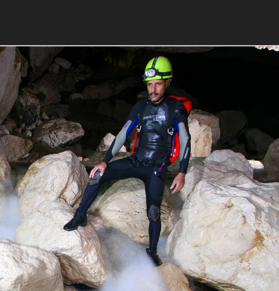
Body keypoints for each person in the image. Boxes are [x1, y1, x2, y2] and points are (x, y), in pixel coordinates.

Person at [63, 55, 191, 267]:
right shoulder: (140, 108)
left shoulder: (175, 109)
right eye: (150, 84)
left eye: (158, 84)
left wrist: (182, 172)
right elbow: (123, 134)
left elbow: (185, 140)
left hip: (156, 169)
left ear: (167, 83)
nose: (153, 89)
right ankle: (80, 215)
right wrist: (105, 161)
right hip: (136, 161)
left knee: (153, 211)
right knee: (97, 175)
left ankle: (151, 251)